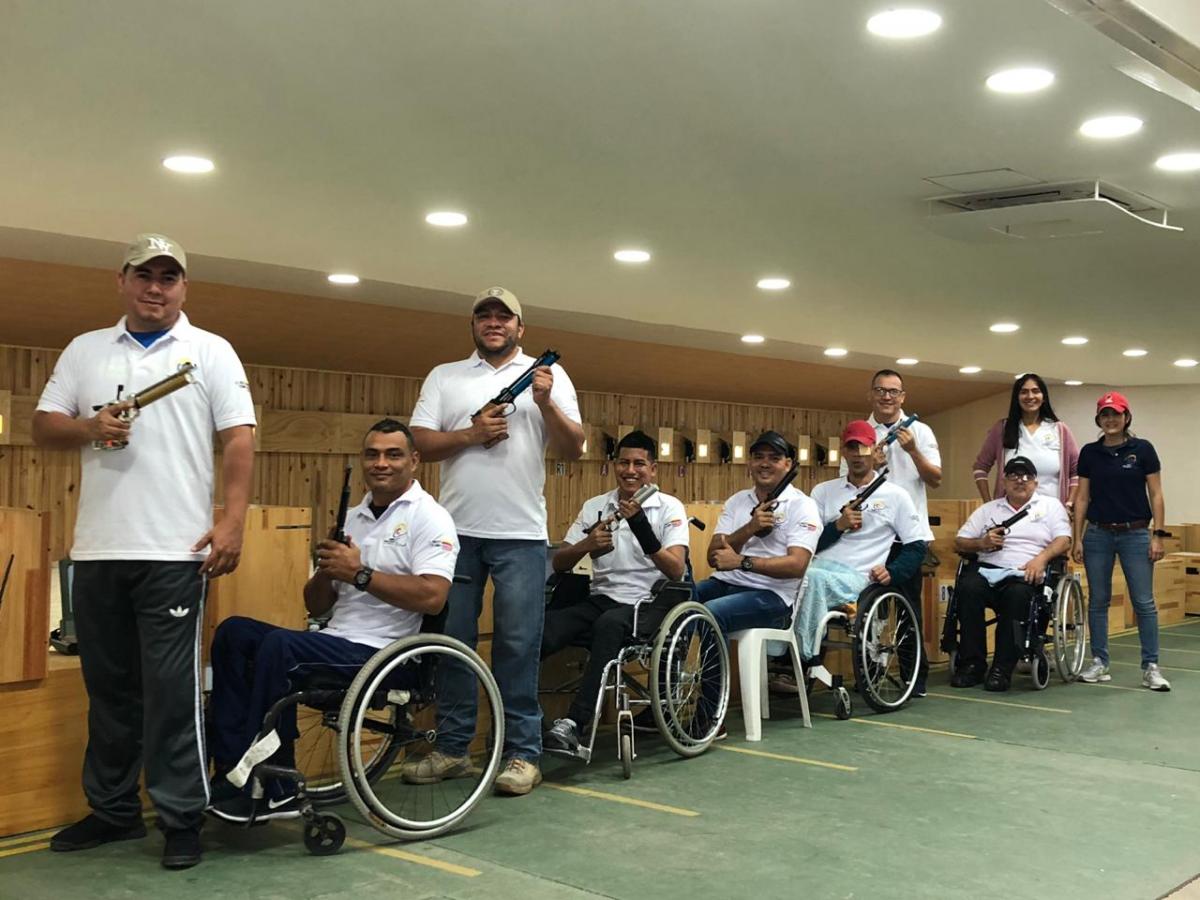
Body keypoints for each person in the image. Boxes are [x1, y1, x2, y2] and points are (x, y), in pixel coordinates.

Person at [33, 234, 256, 869]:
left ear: (184, 287)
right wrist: (88, 426)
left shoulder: (210, 351)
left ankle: (182, 815)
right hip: (98, 551)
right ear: (123, 281)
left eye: (168, 277)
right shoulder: (85, 350)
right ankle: (113, 812)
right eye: (144, 276)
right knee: (108, 689)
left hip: (174, 551)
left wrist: (232, 521)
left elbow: (238, 440)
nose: (155, 287)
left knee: (169, 691)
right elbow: (43, 425)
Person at [206, 420, 458, 822]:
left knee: (280, 648)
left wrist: (359, 573)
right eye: (372, 454)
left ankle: (278, 784)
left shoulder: (431, 518)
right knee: (235, 633)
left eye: (393, 454)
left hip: (385, 654)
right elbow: (316, 605)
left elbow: (433, 597)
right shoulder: (353, 516)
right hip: (336, 637)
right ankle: (233, 768)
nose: (381, 463)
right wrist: (328, 570)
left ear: (414, 460)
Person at [407, 287, 584, 795]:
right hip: (455, 533)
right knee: (452, 643)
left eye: (503, 316)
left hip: (523, 536)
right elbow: (419, 442)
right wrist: (470, 434)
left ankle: (522, 753)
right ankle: (455, 749)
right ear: (473, 325)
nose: (493, 322)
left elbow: (575, 448)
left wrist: (545, 403)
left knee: (518, 644)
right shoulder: (445, 376)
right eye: (484, 315)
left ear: (519, 328)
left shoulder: (549, 377)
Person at [540, 430, 690, 755]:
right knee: (539, 632)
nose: (630, 470)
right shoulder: (595, 506)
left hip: (648, 603)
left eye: (639, 463)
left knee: (609, 624)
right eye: (624, 462)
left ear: (653, 469)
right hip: (601, 598)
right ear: (614, 465)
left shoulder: (669, 508)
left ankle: (575, 726)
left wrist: (641, 526)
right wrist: (587, 544)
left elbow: (676, 569)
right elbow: (561, 563)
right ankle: (531, 724)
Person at [841, 369, 941, 695]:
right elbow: (848, 484)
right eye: (881, 391)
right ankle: (869, 674)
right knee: (867, 606)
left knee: (908, 605)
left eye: (893, 392)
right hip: (869, 535)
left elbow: (935, 478)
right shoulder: (861, 432)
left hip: (908, 536)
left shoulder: (921, 431)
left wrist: (913, 450)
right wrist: (874, 463)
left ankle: (915, 678)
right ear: (871, 394)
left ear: (903, 397)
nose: (887, 397)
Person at [797, 421, 926, 664]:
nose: (858, 455)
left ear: (874, 450)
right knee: (790, 575)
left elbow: (917, 545)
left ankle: (801, 660)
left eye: (864, 448)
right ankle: (779, 654)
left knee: (810, 579)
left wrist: (893, 572)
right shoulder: (823, 491)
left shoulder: (896, 495)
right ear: (844, 452)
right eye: (852, 448)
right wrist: (837, 527)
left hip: (857, 577)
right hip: (819, 567)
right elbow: (807, 542)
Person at [1072, 392, 1170, 691]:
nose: (1111, 420)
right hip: (1099, 534)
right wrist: (1077, 537)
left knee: (1143, 602)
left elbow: (1156, 494)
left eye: (1116, 414)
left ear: (1126, 417)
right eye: (1105, 415)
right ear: (1099, 420)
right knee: (1098, 600)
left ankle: (1151, 666)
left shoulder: (1142, 449)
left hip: (1136, 533)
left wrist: (1158, 535)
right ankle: (1099, 662)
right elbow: (1083, 497)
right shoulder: (1090, 453)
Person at [951, 457, 1072, 692]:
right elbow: (960, 541)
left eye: (1026, 476)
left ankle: (1001, 669)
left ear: (1036, 483)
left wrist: (1041, 559)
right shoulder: (988, 509)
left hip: (1025, 572)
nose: (1020, 481)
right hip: (988, 570)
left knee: (1018, 596)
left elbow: (1064, 540)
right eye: (1014, 476)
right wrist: (982, 542)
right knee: (967, 589)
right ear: (1004, 482)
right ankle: (972, 665)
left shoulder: (1049, 506)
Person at [696, 431, 822, 636]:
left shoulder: (803, 505)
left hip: (773, 595)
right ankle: (673, 667)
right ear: (749, 463)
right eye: (758, 457)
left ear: (788, 464)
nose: (765, 463)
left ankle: (714, 670)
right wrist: (749, 529)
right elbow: (713, 557)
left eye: (774, 458)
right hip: (724, 583)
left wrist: (742, 561)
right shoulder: (737, 500)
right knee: (677, 600)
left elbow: (797, 565)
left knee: (710, 613)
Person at [972, 373, 1080, 508]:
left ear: (1044, 397)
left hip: (1052, 513)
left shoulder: (1060, 430)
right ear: (1016, 398)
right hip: (1010, 514)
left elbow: (1076, 471)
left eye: (1035, 391)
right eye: (1024, 392)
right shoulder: (1002, 428)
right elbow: (980, 468)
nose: (1030, 397)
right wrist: (989, 504)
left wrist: (1069, 503)